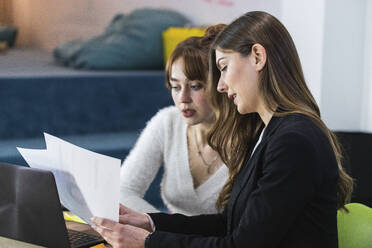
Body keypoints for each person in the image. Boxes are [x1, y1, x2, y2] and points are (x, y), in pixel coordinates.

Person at [91, 11, 354, 248]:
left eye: (224, 68)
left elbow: (241, 245)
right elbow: (230, 224)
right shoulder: (269, 131)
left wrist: (149, 243)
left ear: (258, 57)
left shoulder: (293, 141)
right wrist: (150, 223)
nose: (220, 85)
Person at [119, 24, 228, 215]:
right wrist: (161, 229)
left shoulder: (249, 136)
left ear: (221, 84)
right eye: (175, 87)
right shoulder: (167, 121)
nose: (183, 99)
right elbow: (123, 190)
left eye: (195, 86)